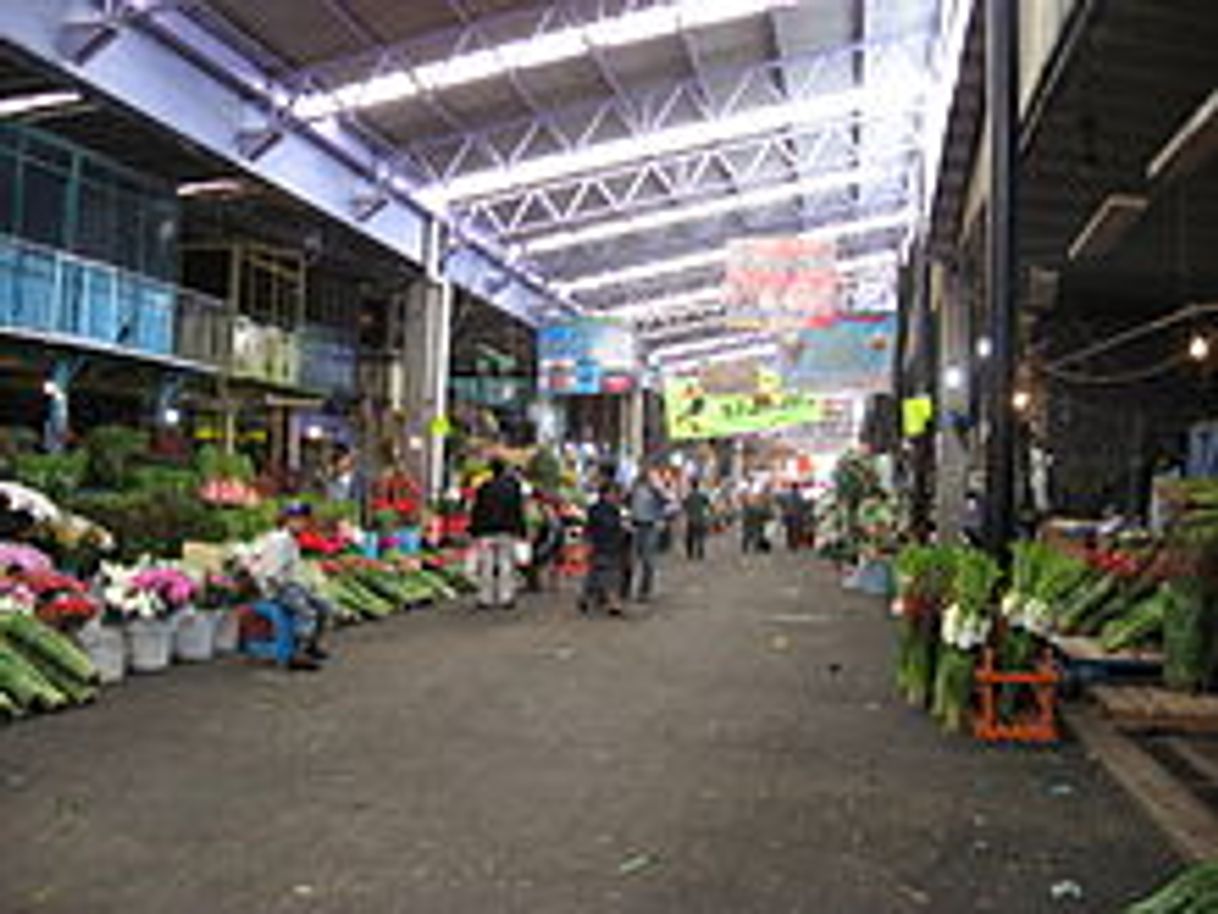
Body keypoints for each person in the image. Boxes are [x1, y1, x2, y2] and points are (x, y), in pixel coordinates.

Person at [245, 503, 333, 671]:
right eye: (297, 520)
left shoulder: (291, 540)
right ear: (287, 520)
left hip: (291, 585)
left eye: (304, 520)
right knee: (306, 611)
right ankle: (295, 654)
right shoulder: (279, 541)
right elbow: (271, 575)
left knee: (324, 606)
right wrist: (285, 593)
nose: (302, 524)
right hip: (277, 588)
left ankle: (311, 645)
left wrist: (305, 588)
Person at [469, 457, 527, 609]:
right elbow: (517, 510)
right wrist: (522, 530)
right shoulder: (513, 487)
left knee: (486, 565)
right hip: (506, 530)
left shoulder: (483, 487)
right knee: (506, 564)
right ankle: (506, 598)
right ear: (505, 470)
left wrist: (474, 530)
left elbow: (477, 510)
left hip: (486, 530)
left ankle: (484, 598)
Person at [580, 481, 627, 615]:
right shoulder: (598, 510)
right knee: (610, 574)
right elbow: (591, 528)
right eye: (613, 493)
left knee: (595, 575)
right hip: (602, 545)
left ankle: (585, 597)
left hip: (610, 545)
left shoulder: (614, 509)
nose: (616, 496)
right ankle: (613, 603)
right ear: (605, 494)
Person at [628, 467, 668, 601]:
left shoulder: (656, 491)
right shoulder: (635, 489)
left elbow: (666, 502)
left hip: (650, 526)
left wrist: (658, 490)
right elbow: (626, 501)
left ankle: (644, 591)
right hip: (635, 525)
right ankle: (625, 589)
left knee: (648, 560)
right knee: (630, 560)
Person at [523, 494, 564, 592]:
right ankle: (544, 584)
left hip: (547, 537)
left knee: (540, 560)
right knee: (545, 561)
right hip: (548, 537)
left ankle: (539, 584)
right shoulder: (542, 508)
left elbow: (551, 527)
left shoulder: (544, 509)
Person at [682, 478, 711, 560]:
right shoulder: (702, 495)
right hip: (700, 518)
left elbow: (684, 505)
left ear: (692, 486)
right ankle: (700, 553)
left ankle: (690, 554)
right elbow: (707, 503)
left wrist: (688, 510)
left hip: (691, 519)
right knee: (700, 536)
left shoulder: (689, 495)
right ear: (698, 486)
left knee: (690, 537)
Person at [780, 483, 804, 552]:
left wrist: (784, 509)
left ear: (791, 487)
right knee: (795, 529)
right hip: (796, 514)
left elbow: (782, 502)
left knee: (789, 529)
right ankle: (794, 545)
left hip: (788, 513)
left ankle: (789, 543)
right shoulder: (800, 495)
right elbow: (802, 505)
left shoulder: (787, 495)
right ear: (797, 487)